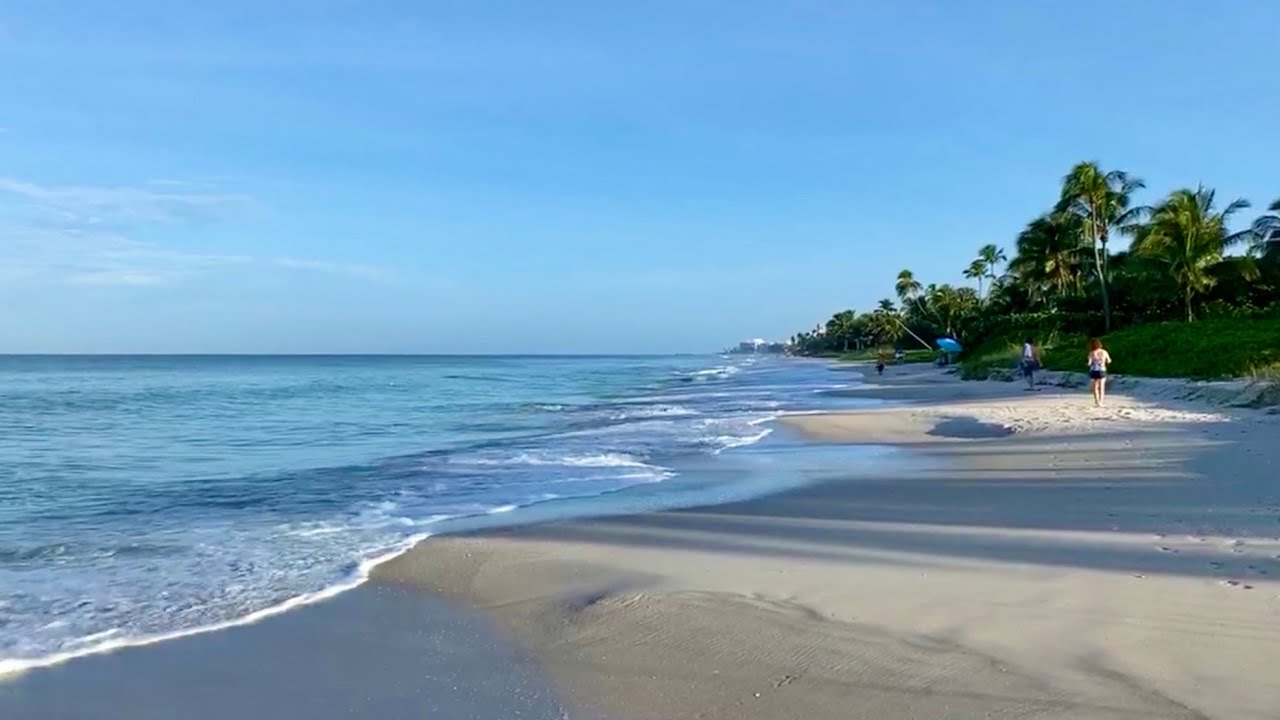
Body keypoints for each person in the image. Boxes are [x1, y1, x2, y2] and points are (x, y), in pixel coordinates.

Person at [1087, 338, 1112, 407]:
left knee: (1095, 387)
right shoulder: (1104, 352)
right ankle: (1101, 401)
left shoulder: (1092, 353)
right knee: (1101, 386)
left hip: (1094, 370)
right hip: (1102, 370)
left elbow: (1089, 363)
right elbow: (1109, 361)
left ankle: (1097, 401)